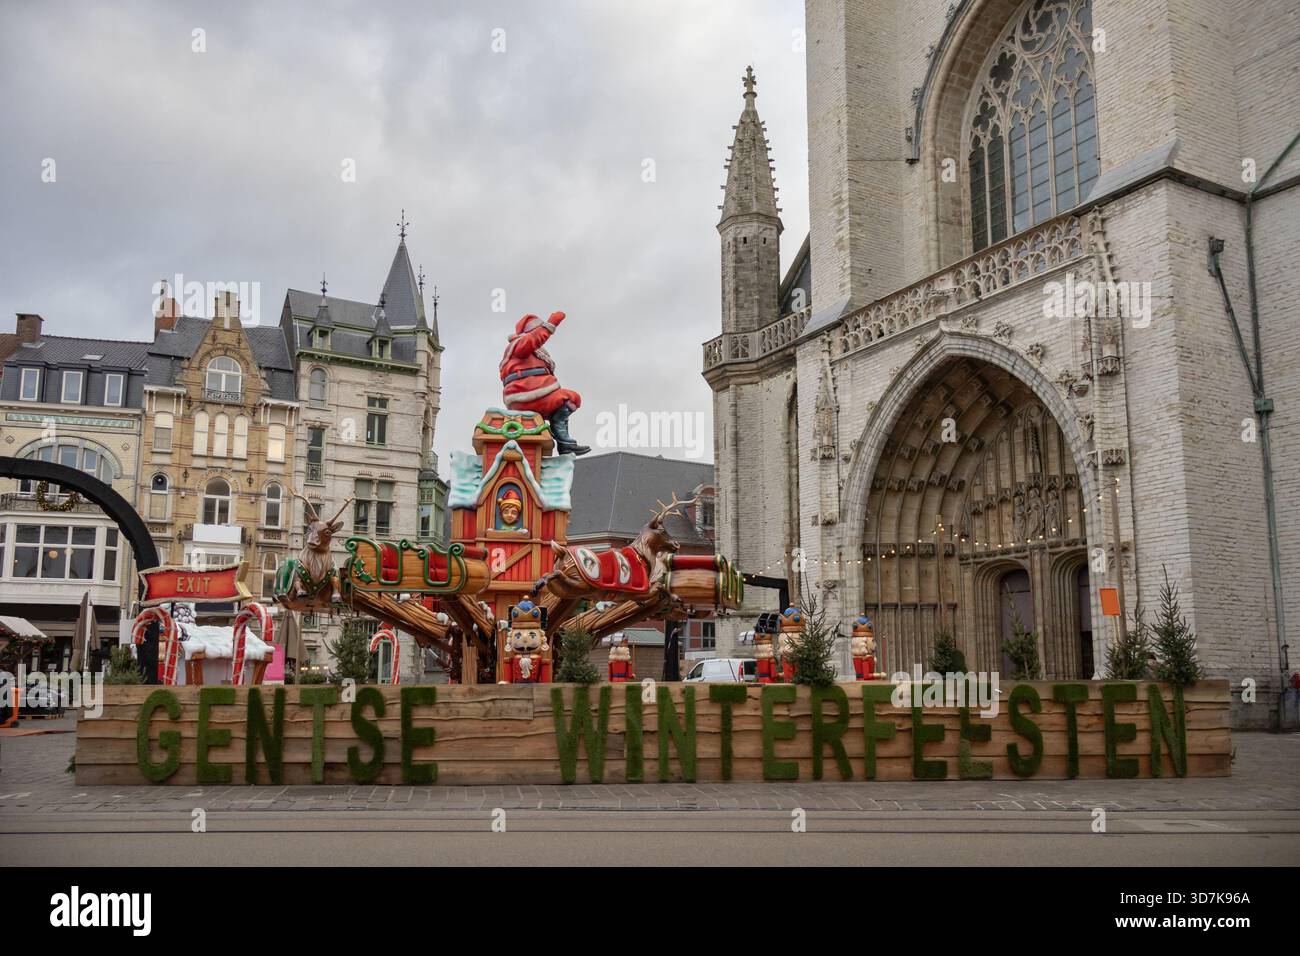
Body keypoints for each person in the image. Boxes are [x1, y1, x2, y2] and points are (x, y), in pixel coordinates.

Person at [499, 311, 590, 455]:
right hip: (527, 394)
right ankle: (563, 440)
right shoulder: (519, 344)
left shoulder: (535, 353)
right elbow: (531, 340)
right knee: (570, 398)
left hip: (533, 394)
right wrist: (550, 324)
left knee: (566, 400)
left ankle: (562, 440)